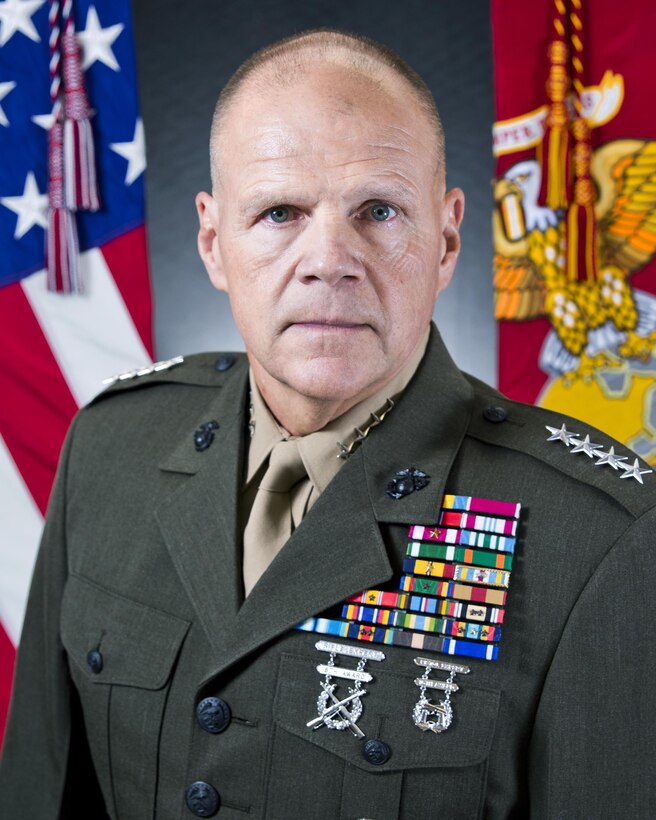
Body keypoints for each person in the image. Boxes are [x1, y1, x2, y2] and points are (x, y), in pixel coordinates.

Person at [1, 28, 655, 820]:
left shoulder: (596, 538)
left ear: (447, 239)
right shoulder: (111, 447)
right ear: (213, 243)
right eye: (279, 212)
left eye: (379, 211)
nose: (329, 260)